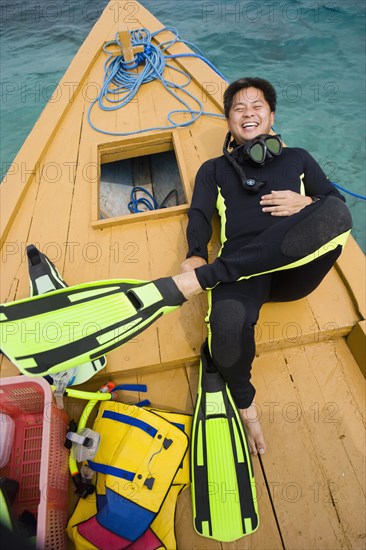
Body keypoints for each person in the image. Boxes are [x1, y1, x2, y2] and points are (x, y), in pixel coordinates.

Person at [171, 77, 352, 456]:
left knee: (335, 213)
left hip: (296, 270)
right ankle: (245, 408)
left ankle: (206, 280)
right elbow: (200, 214)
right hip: (243, 271)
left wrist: (304, 204)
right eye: (239, 108)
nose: (248, 113)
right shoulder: (214, 170)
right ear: (229, 121)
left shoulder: (298, 157)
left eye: (257, 107)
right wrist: (195, 253)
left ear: (271, 116)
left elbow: (333, 201)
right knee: (225, 324)